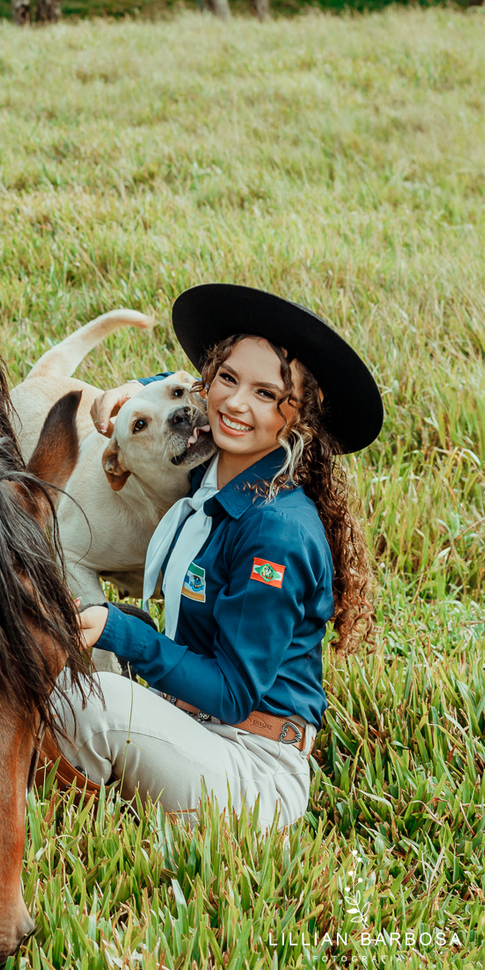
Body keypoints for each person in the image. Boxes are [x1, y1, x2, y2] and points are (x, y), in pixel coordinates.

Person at [51, 283, 382, 830]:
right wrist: (136, 387)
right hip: (195, 726)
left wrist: (120, 631)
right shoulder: (213, 476)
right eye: (228, 379)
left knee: (89, 699)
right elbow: (175, 392)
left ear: (295, 417)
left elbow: (231, 694)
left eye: (266, 394)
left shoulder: (273, 532)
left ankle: (69, 831)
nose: (235, 403)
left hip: (252, 769)